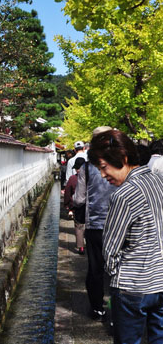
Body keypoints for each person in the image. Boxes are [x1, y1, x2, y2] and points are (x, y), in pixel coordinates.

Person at [88, 129, 163, 344]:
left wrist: (117, 274)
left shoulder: (124, 195)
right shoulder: (158, 180)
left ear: (123, 159)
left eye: (105, 167)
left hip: (133, 288)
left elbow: (111, 247)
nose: (103, 176)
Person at [72, 127, 115, 319]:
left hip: (95, 226)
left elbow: (79, 199)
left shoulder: (87, 168)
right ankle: (118, 312)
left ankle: (97, 308)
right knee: (118, 270)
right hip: (119, 225)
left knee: (95, 269)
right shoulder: (123, 164)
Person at [64, 157, 86, 254]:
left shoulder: (73, 179)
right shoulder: (91, 178)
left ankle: (81, 247)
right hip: (90, 206)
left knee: (79, 226)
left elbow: (67, 193)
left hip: (78, 206)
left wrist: (67, 205)